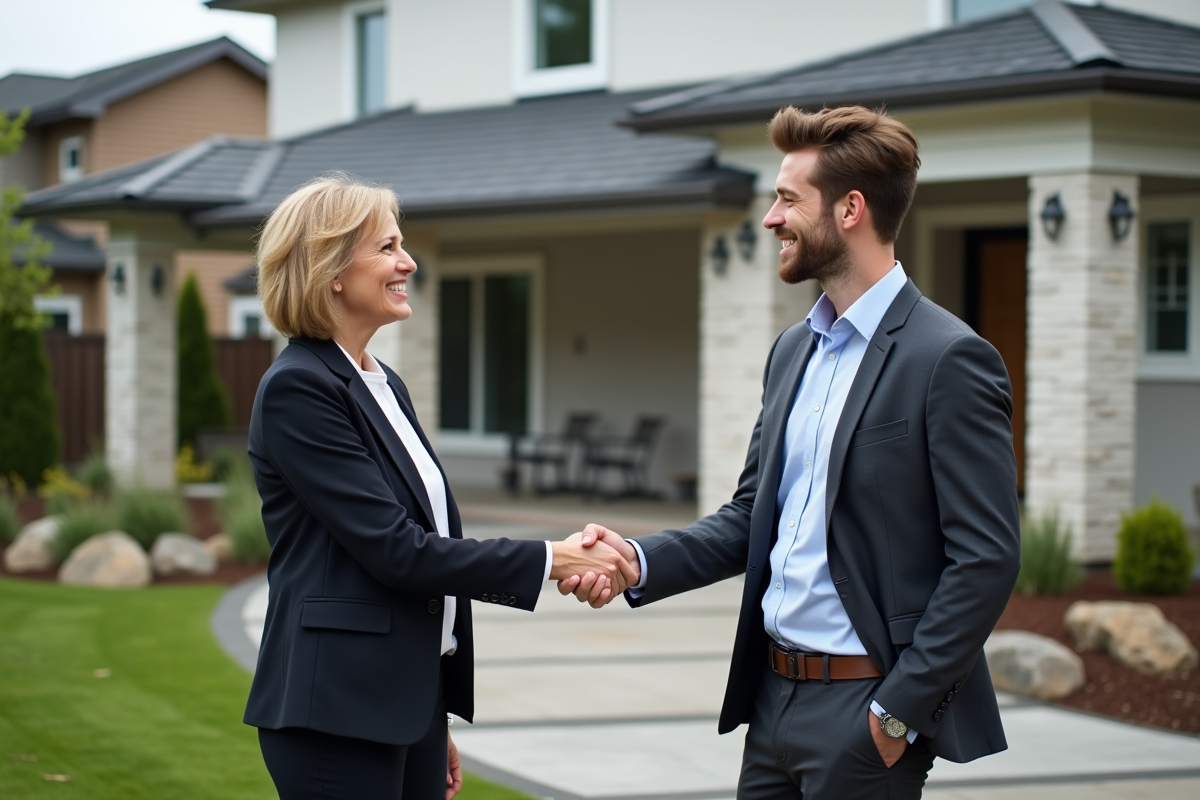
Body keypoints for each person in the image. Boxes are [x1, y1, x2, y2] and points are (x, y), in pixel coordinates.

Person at [561, 106, 1021, 799]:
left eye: (787, 199)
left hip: (865, 713)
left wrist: (897, 713)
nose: (771, 219)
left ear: (850, 210)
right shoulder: (792, 351)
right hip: (771, 700)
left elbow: (986, 558)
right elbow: (751, 516)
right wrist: (636, 559)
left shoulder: (948, 358)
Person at [244, 173, 637, 800]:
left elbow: (422, 549)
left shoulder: (382, 383)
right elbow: (397, 551)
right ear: (331, 269)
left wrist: (430, 715)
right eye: (388, 247)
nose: (408, 262)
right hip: (335, 713)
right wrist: (552, 559)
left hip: (403, 705)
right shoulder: (300, 388)